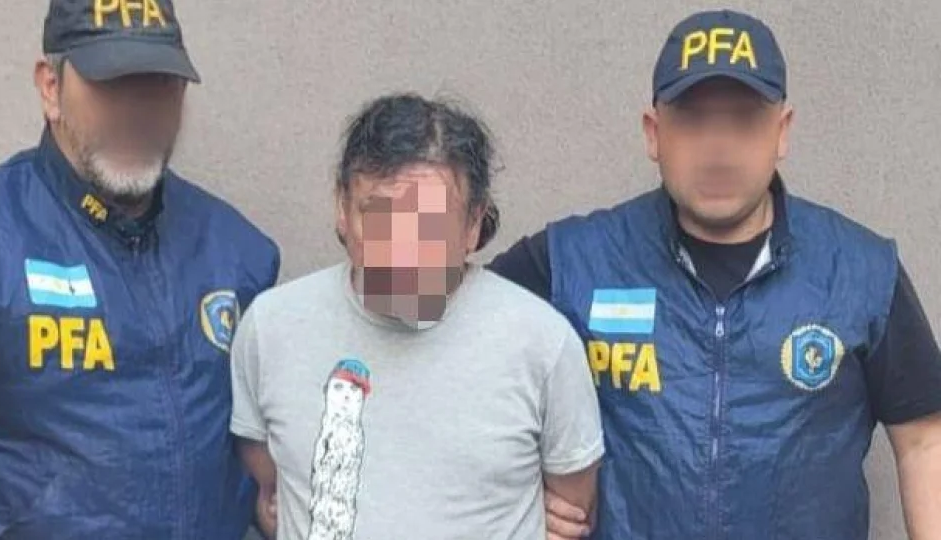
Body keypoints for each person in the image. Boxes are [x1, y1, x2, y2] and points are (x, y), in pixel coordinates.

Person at [490, 9, 941, 540]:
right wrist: (514, 495)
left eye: (745, 120)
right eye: (693, 119)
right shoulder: (574, 260)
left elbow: (925, 442)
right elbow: (454, 347)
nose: (719, 147)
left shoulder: (861, 270)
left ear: (781, 132)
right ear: (654, 133)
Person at [0, 1, 279, 539]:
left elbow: (265, 475)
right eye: (111, 84)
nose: (135, 109)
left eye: (156, 84)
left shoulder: (238, 252)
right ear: (50, 87)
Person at [230, 94, 604, 539]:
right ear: (342, 209)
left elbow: (571, 509)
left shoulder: (542, 344)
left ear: (473, 225)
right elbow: (274, 486)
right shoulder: (271, 329)